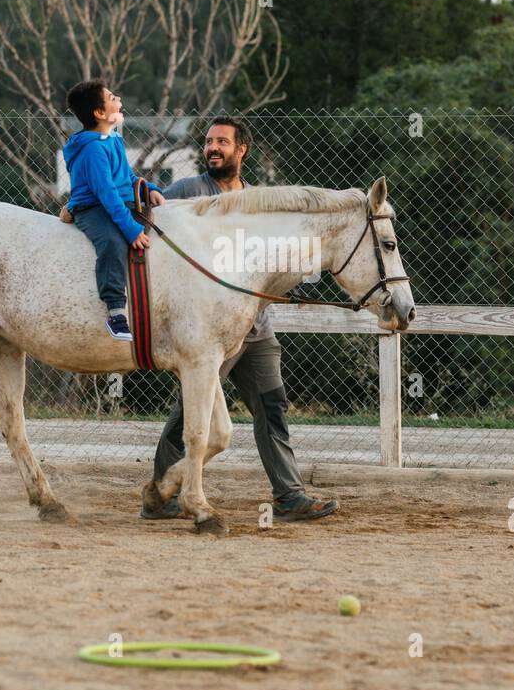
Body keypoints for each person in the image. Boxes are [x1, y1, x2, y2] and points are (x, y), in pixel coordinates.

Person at [140, 116, 337, 523]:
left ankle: (288, 496)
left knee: (272, 408)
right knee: (190, 412)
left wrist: (297, 283)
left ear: (241, 150)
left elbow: (274, 262)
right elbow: (154, 218)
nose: (213, 148)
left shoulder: (258, 204)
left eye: (222, 142)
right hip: (209, 328)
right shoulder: (189, 192)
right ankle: (162, 493)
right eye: (209, 141)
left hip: (255, 328)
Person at [62, 79, 165, 342]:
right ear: (99, 113)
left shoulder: (114, 140)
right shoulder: (94, 149)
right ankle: (116, 311)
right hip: (93, 207)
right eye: (112, 97)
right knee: (112, 242)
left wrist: (149, 188)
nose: (118, 99)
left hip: (118, 202)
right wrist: (130, 230)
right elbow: (106, 193)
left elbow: (127, 177)